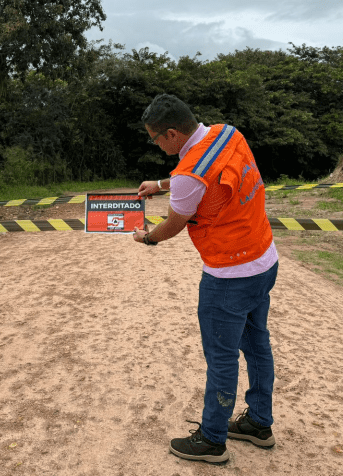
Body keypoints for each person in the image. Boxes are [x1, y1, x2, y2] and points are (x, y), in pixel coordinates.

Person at [132, 94, 279, 464]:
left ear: (171, 133)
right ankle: (259, 423)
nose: (155, 144)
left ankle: (212, 440)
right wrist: (162, 185)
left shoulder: (188, 174)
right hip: (263, 259)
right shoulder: (228, 134)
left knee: (222, 357)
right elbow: (203, 174)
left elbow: (173, 224)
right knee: (257, 344)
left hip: (228, 275)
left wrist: (147, 237)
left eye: (155, 138)